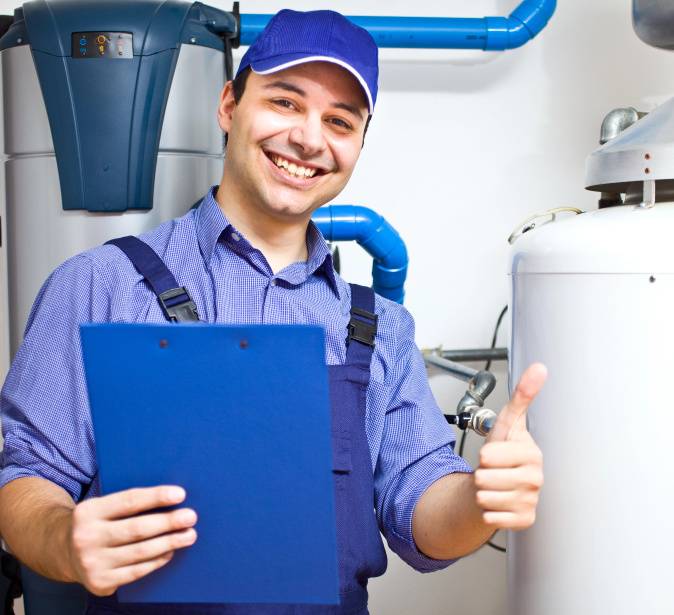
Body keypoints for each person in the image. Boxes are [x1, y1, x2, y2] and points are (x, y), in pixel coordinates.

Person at [0, 9, 545, 615]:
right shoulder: (99, 285)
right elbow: (25, 477)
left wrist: (480, 500)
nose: (310, 139)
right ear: (229, 105)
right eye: (285, 102)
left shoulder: (379, 330)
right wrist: (63, 541)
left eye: (339, 120)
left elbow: (420, 509)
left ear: (359, 145)